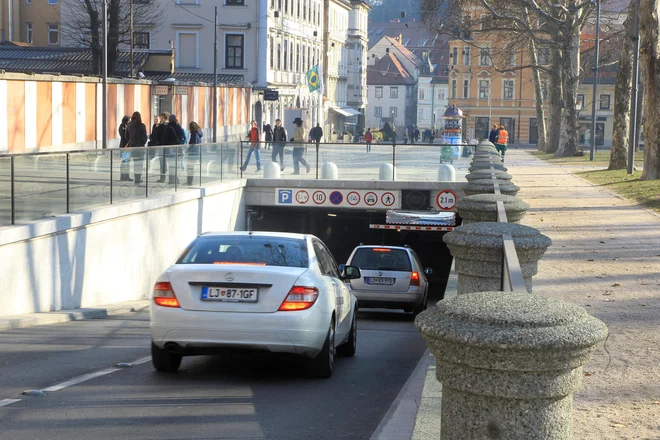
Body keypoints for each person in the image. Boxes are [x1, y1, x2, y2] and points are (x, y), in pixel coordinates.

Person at [126, 111, 148, 185]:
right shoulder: (142, 126)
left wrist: (131, 140)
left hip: (132, 146)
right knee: (139, 164)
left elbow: (126, 136)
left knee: (134, 162)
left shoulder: (129, 125)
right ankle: (138, 178)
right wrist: (143, 142)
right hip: (140, 147)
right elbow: (144, 138)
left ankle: (136, 178)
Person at [186, 121, 203, 186]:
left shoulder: (194, 134)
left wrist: (188, 150)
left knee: (190, 168)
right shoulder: (199, 133)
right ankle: (189, 181)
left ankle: (189, 182)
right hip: (196, 153)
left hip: (192, 154)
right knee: (190, 168)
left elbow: (193, 144)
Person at [118, 115, 131, 181]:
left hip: (127, 146)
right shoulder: (122, 126)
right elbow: (124, 136)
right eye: (129, 120)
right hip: (124, 146)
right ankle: (123, 176)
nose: (130, 121)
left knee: (127, 162)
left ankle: (127, 176)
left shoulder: (127, 126)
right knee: (124, 161)